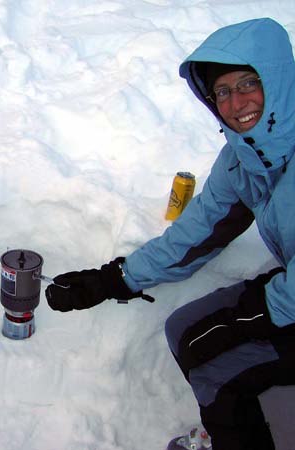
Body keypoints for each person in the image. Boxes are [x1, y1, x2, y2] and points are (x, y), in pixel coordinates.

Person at [45, 17, 295, 450]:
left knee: (213, 355)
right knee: (187, 330)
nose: (236, 103)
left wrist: (262, 310)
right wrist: (113, 279)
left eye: (248, 83)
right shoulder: (242, 159)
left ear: (277, 79)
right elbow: (197, 233)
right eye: (222, 92)